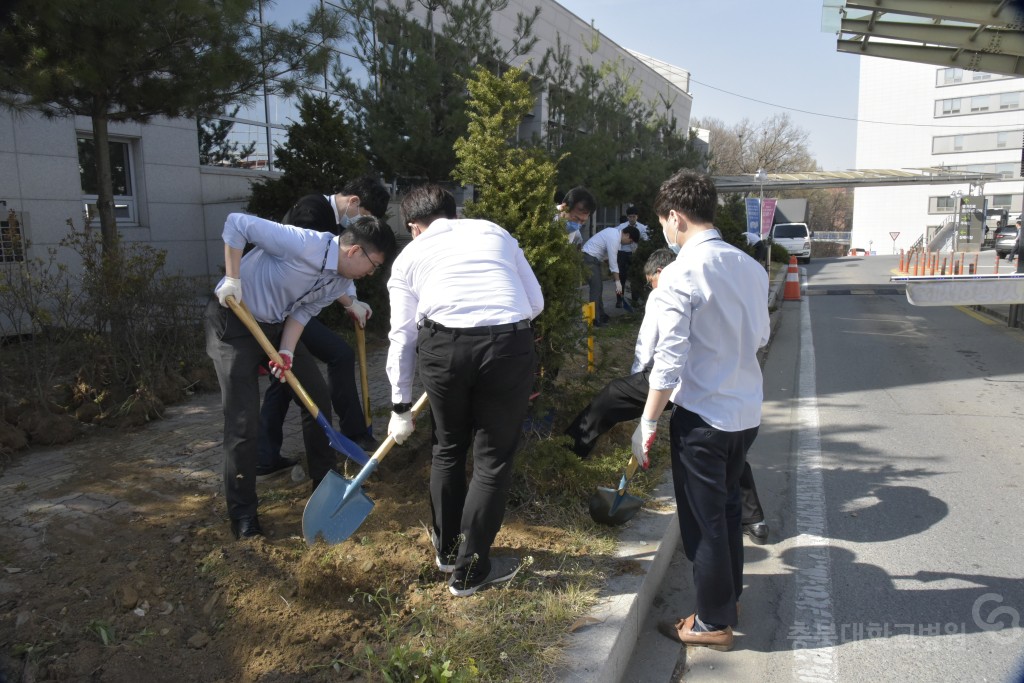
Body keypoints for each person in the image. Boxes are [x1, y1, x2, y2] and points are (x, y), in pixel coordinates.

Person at [631, 170, 770, 651]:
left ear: (676, 217)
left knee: (705, 522)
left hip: (703, 418)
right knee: (728, 510)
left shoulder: (679, 274)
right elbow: (761, 337)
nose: (665, 234)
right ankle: (725, 601)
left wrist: (648, 421)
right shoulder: (750, 267)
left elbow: (667, 361)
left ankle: (712, 623)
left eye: (664, 224)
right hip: (744, 412)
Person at [386, 184, 544, 597]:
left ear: (412, 227)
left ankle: (448, 552)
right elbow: (535, 302)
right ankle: (472, 571)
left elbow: (402, 336)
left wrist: (400, 404)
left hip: (441, 348)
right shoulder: (495, 233)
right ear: (453, 214)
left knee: (448, 446)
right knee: (492, 459)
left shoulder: (408, 257)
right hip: (507, 346)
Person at [206, 213, 397, 539]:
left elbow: (303, 311)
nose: (371, 273)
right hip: (234, 317)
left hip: (276, 326)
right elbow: (236, 224)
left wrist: (287, 352)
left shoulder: (338, 280)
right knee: (242, 421)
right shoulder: (302, 244)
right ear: (354, 252)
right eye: (373, 265)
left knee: (316, 401)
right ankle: (243, 515)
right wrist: (233, 278)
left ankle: (325, 485)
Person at [564, 249, 769, 543]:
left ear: (660, 271)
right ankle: (755, 519)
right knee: (728, 449)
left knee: (610, 397)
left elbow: (648, 344)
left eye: (651, 281)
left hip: (672, 379)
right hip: (715, 382)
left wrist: (639, 382)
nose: (652, 287)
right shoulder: (725, 278)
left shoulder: (668, 287)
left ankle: (571, 451)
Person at [256, 177, 392, 477]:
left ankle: (267, 454)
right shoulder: (312, 211)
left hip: (296, 309)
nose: (365, 226)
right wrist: (348, 302)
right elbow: (318, 268)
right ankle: (271, 454)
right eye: (367, 216)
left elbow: (338, 272)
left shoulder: (336, 221)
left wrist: (352, 300)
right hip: (276, 309)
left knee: (296, 373)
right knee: (319, 365)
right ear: (354, 202)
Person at [581, 223, 640, 326]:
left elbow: (608, 259)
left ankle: (601, 315)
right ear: (626, 234)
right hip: (589, 259)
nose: (628, 244)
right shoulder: (614, 238)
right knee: (596, 289)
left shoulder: (613, 233)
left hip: (593, 259)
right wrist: (618, 282)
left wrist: (613, 272)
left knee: (599, 288)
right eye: (630, 241)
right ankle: (594, 319)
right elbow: (613, 262)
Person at [614, 206, 649, 308]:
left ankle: (635, 300)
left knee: (635, 278)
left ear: (637, 217)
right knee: (621, 278)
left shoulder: (642, 228)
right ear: (627, 217)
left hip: (635, 254)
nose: (632, 219)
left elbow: (646, 240)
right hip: (623, 254)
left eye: (633, 216)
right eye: (630, 217)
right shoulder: (621, 227)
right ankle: (619, 300)